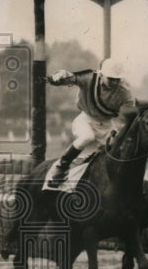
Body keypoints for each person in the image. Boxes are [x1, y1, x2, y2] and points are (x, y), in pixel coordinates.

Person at [46, 58, 135, 188]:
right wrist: (58, 76)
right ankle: (61, 167)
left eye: (117, 79)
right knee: (87, 137)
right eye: (110, 78)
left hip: (108, 125)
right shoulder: (89, 78)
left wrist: (121, 130)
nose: (114, 82)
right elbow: (70, 77)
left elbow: (127, 115)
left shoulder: (125, 92)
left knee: (118, 153)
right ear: (101, 74)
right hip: (85, 119)